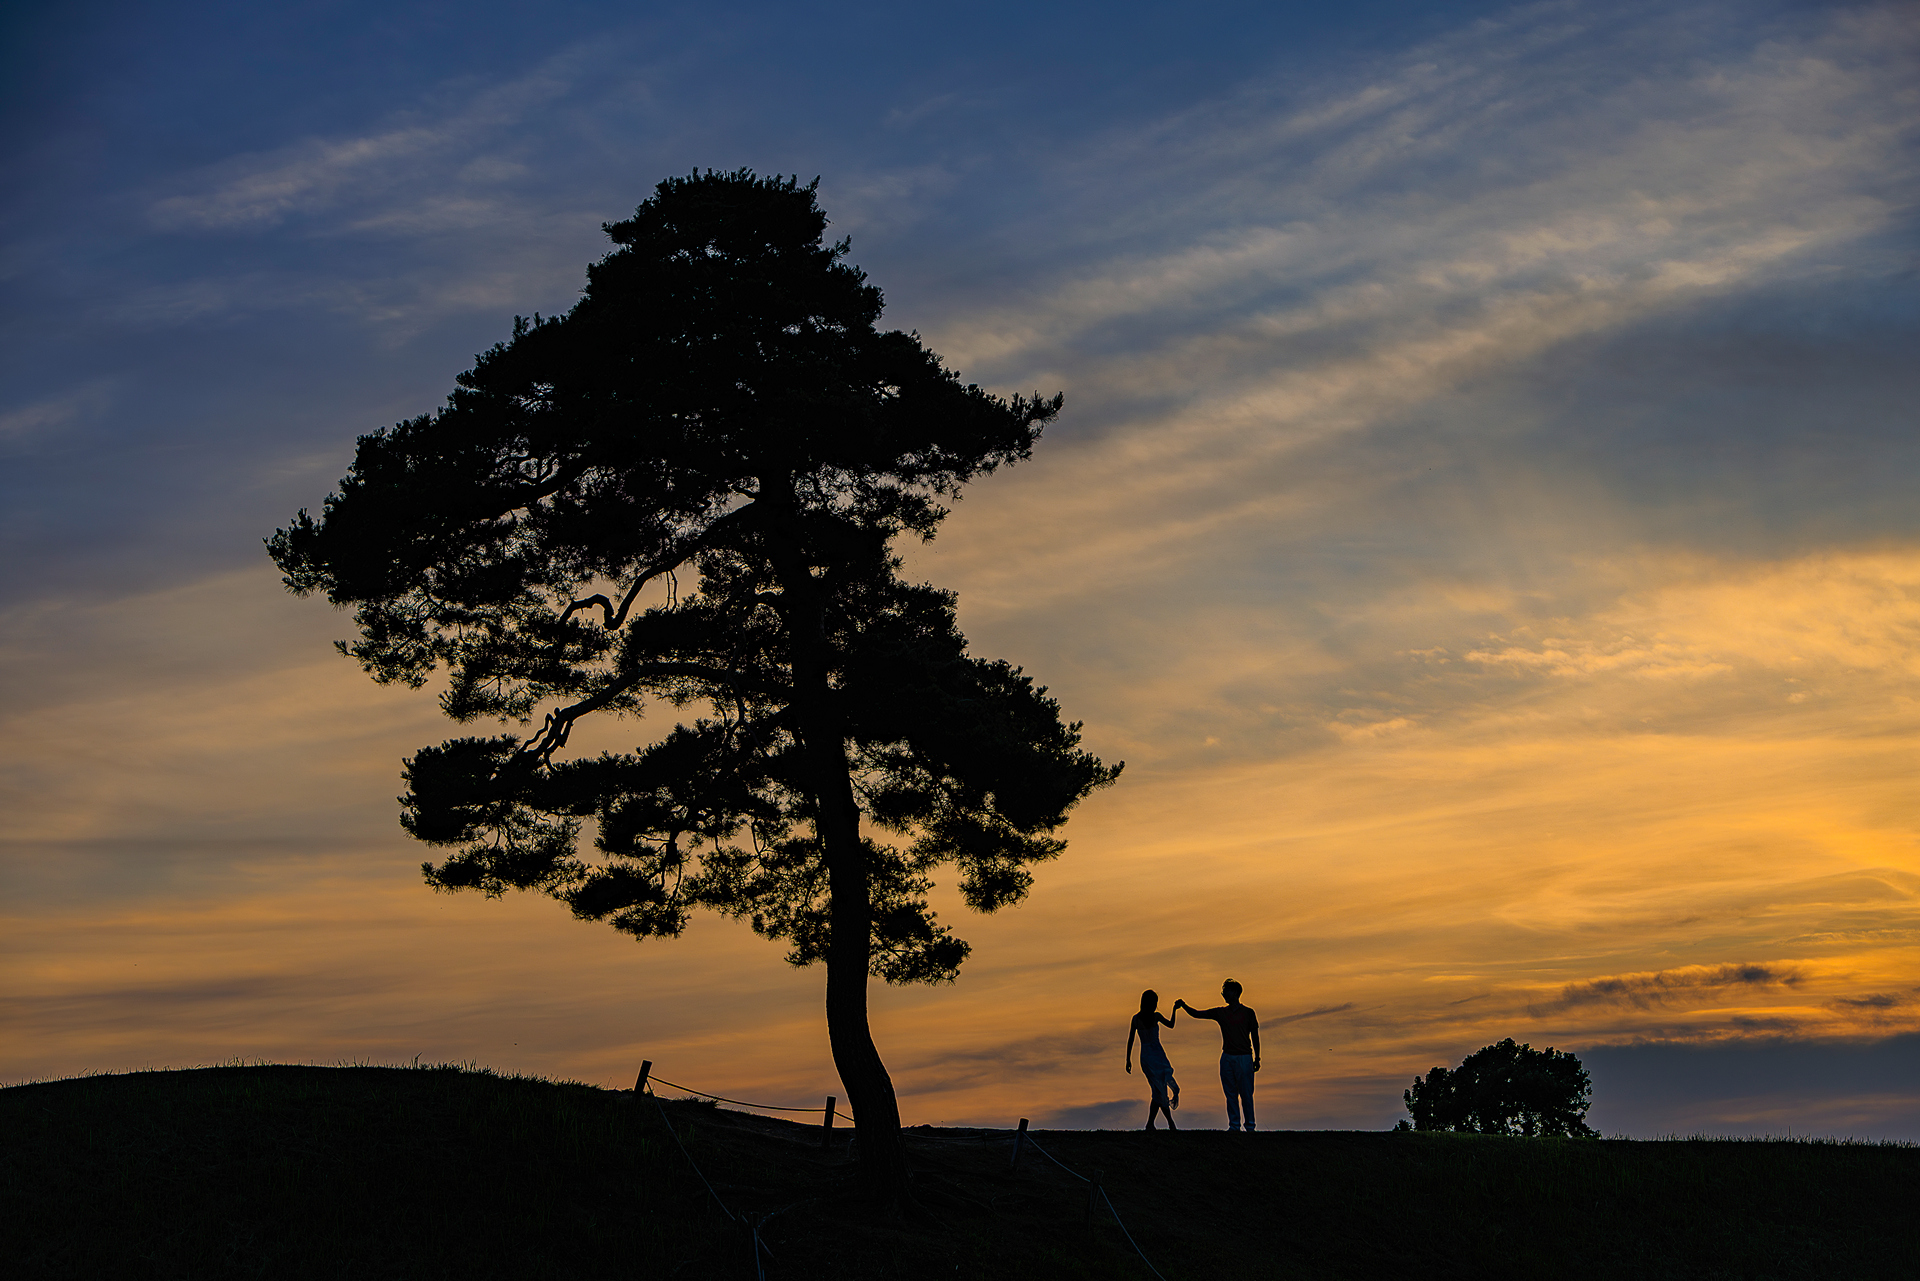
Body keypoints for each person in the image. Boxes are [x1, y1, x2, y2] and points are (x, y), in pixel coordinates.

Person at [1175, 980, 1261, 1131]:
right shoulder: (1221, 1012)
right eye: (1223, 992)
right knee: (1230, 1094)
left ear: (1235, 992)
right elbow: (1198, 1014)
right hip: (1227, 1057)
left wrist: (1257, 1058)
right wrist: (1184, 1006)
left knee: (1246, 1094)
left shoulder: (1248, 1012)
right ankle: (1234, 1126)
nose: (1224, 994)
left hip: (1244, 1057)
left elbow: (1255, 1036)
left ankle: (1250, 1126)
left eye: (1226, 991)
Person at [1124, 989, 1181, 1130]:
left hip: (1157, 1057)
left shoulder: (1153, 1017)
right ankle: (1170, 1123)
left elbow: (1171, 1025)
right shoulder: (1138, 1019)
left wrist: (1174, 1010)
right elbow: (1130, 1040)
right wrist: (1128, 1060)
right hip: (1149, 1058)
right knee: (1159, 1090)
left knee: (1158, 1091)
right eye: (1153, 1003)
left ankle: (1151, 1123)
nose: (1155, 1005)